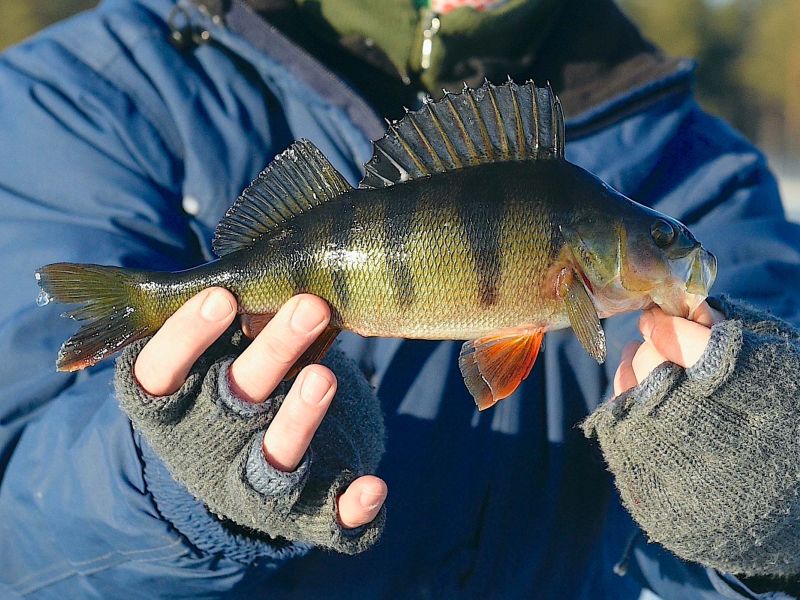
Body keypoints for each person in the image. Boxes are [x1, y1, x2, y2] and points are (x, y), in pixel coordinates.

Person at [1, 0, 799, 598]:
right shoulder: (82, 95)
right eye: (661, 237)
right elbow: (19, 528)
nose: (678, 248)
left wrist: (772, 512)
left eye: (665, 237)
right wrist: (175, 478)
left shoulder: (709, 175)